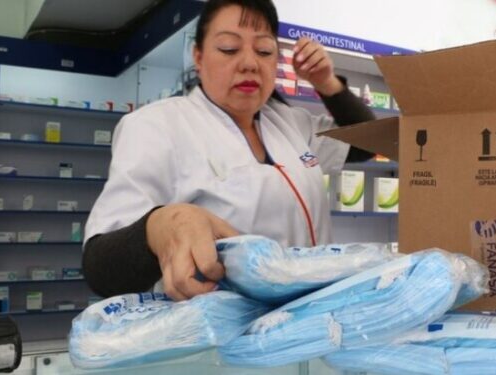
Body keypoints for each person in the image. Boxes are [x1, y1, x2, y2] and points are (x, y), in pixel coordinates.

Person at [82, 0, 375, 301]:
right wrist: (159, 226)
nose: (249, 63)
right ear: (198, 56)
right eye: (228, 49)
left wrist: (326, 82)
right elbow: (100, 267)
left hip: (309, 327)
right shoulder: (157, 127)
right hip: (221, 338)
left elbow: (367, 144)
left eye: (263, 51)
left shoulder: (292, 124)